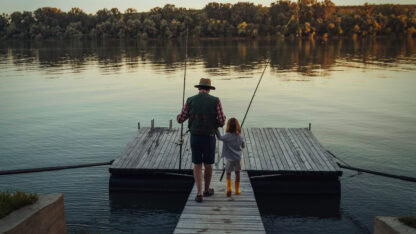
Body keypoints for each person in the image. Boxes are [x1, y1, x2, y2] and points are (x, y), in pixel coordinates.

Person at [177, 78, 226, 202]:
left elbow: (180, 119)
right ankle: (206, 190)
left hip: (195, 137)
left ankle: (199, 193)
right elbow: (221, 121)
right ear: (209, 89)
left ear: (199, 88)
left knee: (197, 164)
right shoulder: (215, 101)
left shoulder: (190, 100)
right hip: (209, 137)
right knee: (208, 164)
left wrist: (180, 115)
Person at [215, 118, 244, 197]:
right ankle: (237, 190)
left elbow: (220, 138)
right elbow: (243, 145)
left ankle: (229, 190)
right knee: (237, 173)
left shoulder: (227, 136)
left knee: (228, 174)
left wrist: (216, 129)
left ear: (228, 126)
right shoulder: (240, 137)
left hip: (229, 159)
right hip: (237, 159)